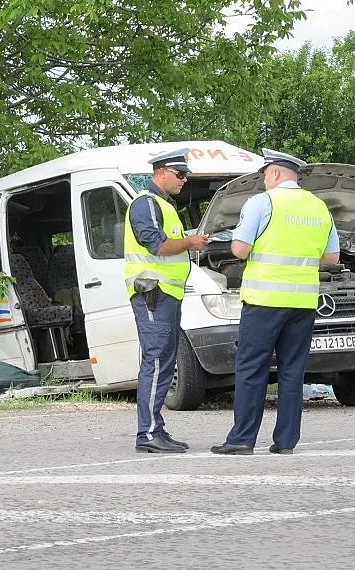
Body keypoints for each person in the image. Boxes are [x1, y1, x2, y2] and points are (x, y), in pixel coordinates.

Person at [211, 149, 339, 455]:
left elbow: (240, 250)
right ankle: (286, 442)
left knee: (251, 368)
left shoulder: (262, 202)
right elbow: (332, 257)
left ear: (276, 173)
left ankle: (242, 439)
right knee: (293, 371)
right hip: (304, 301)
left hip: (265, 299)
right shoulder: (319, 206)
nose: (264, 180)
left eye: (265, 174)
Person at [124, 148, 209, 453]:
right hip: (152, 293)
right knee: (157, 359)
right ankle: (147, 434)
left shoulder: (163, 205)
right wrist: (190, 242)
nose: (185, 180)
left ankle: (155, 428)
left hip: (165, 294)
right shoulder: (145, 204)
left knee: (165, 360)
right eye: (180, 174)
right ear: (161, 172)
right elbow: (156, 246)